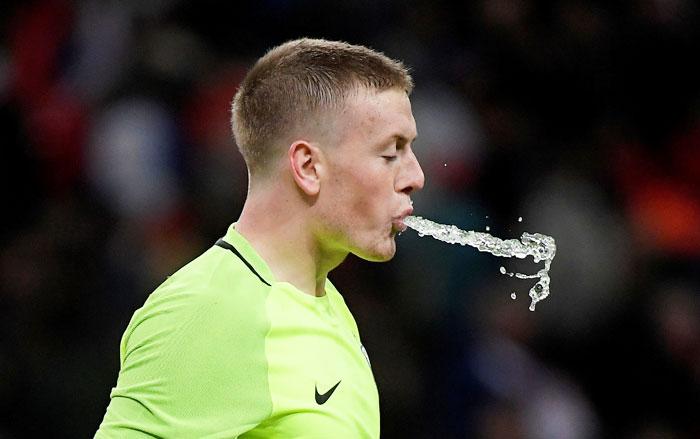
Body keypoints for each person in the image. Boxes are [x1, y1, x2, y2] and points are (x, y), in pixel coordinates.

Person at [95, 38, 424, 438]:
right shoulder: (206, 311)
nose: (415, 177)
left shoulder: (326, 303)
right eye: (391, 152)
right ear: (308, 166)